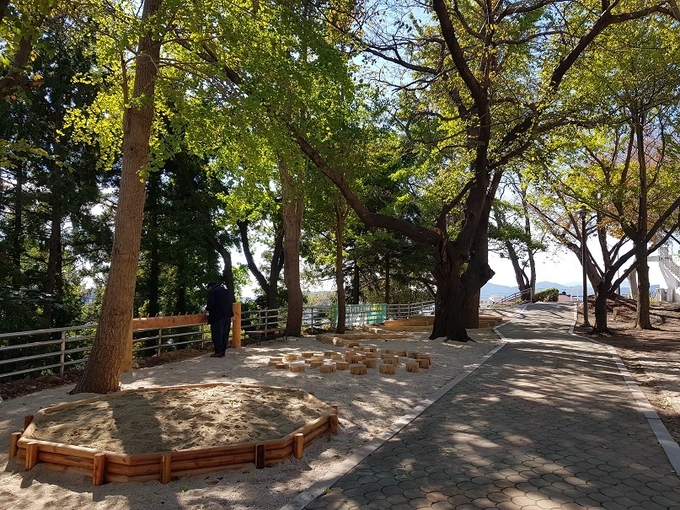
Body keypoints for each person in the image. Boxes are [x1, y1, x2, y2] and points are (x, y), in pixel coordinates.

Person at [206, 281, 233, 358]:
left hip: (217, 316)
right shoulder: (225, 291)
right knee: (225, 334)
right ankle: (223, 351)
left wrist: (207, 309)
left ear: (210, 287)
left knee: (217, 334)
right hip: (227, 315)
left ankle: (218, 351)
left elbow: (211, 303)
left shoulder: (213, 292)